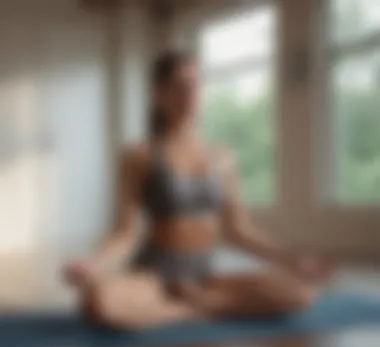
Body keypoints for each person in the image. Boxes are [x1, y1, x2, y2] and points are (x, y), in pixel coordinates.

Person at [64, 51, 333, 329]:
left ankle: (189, 305)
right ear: (159, 95)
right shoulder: (139, 155)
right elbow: (124, 232)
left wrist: (293, 260)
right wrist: (91, 264)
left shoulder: (221, 156)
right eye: (179, 86)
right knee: (98, 302)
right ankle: (195, 308)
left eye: (195, 84)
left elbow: (238, 232)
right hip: (154, 276)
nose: (190, 93)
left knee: (300, 293)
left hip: (203, 277)